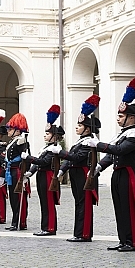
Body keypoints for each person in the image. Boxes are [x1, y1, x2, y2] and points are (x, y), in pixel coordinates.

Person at [86, 78, 135, 252]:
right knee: (120, 208)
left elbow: (120, 150)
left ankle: (133, 241)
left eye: (121, 116)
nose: (118, 119)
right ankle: (123, 239)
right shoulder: (122, 134)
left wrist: (98, 145)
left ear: (132, 117)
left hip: (130, 175)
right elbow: (111, 155)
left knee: (129, 208)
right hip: (119, 174)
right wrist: (98, 167)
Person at [51, 95, 101, 242]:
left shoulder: (89, 142)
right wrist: (61, 170)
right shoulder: (80, 141)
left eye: (79, 126)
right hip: (76, 174)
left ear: (87, 129)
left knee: (84, 204)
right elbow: (71, 157)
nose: (76, 127)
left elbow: (77, 157)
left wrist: (61, 153)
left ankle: (84, 234)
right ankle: (79, 232)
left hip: (83, 174)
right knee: (79, 203)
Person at [22, 105, 63, 236]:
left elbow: (44, 162)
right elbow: (38, 162)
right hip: (41, 176)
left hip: (48, 176)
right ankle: (45, 226)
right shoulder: (46, 148)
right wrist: (30, 172)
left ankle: (50, 228)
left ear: (55, 136)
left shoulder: (54, 149)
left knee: (48, 203)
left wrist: (28, 158)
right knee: (43, 202)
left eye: (48, 134)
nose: (45, 136)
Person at [2, 113, 30, 231]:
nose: (8, 131)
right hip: (11, 171)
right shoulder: (13, 141)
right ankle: (15, 220)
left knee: (18, 198)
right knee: (13, 198)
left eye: (11, 129)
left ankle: (19, 222)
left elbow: (26, 158)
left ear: (17, 130)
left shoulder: (21, 141)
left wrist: (24, 173)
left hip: (17, 172)